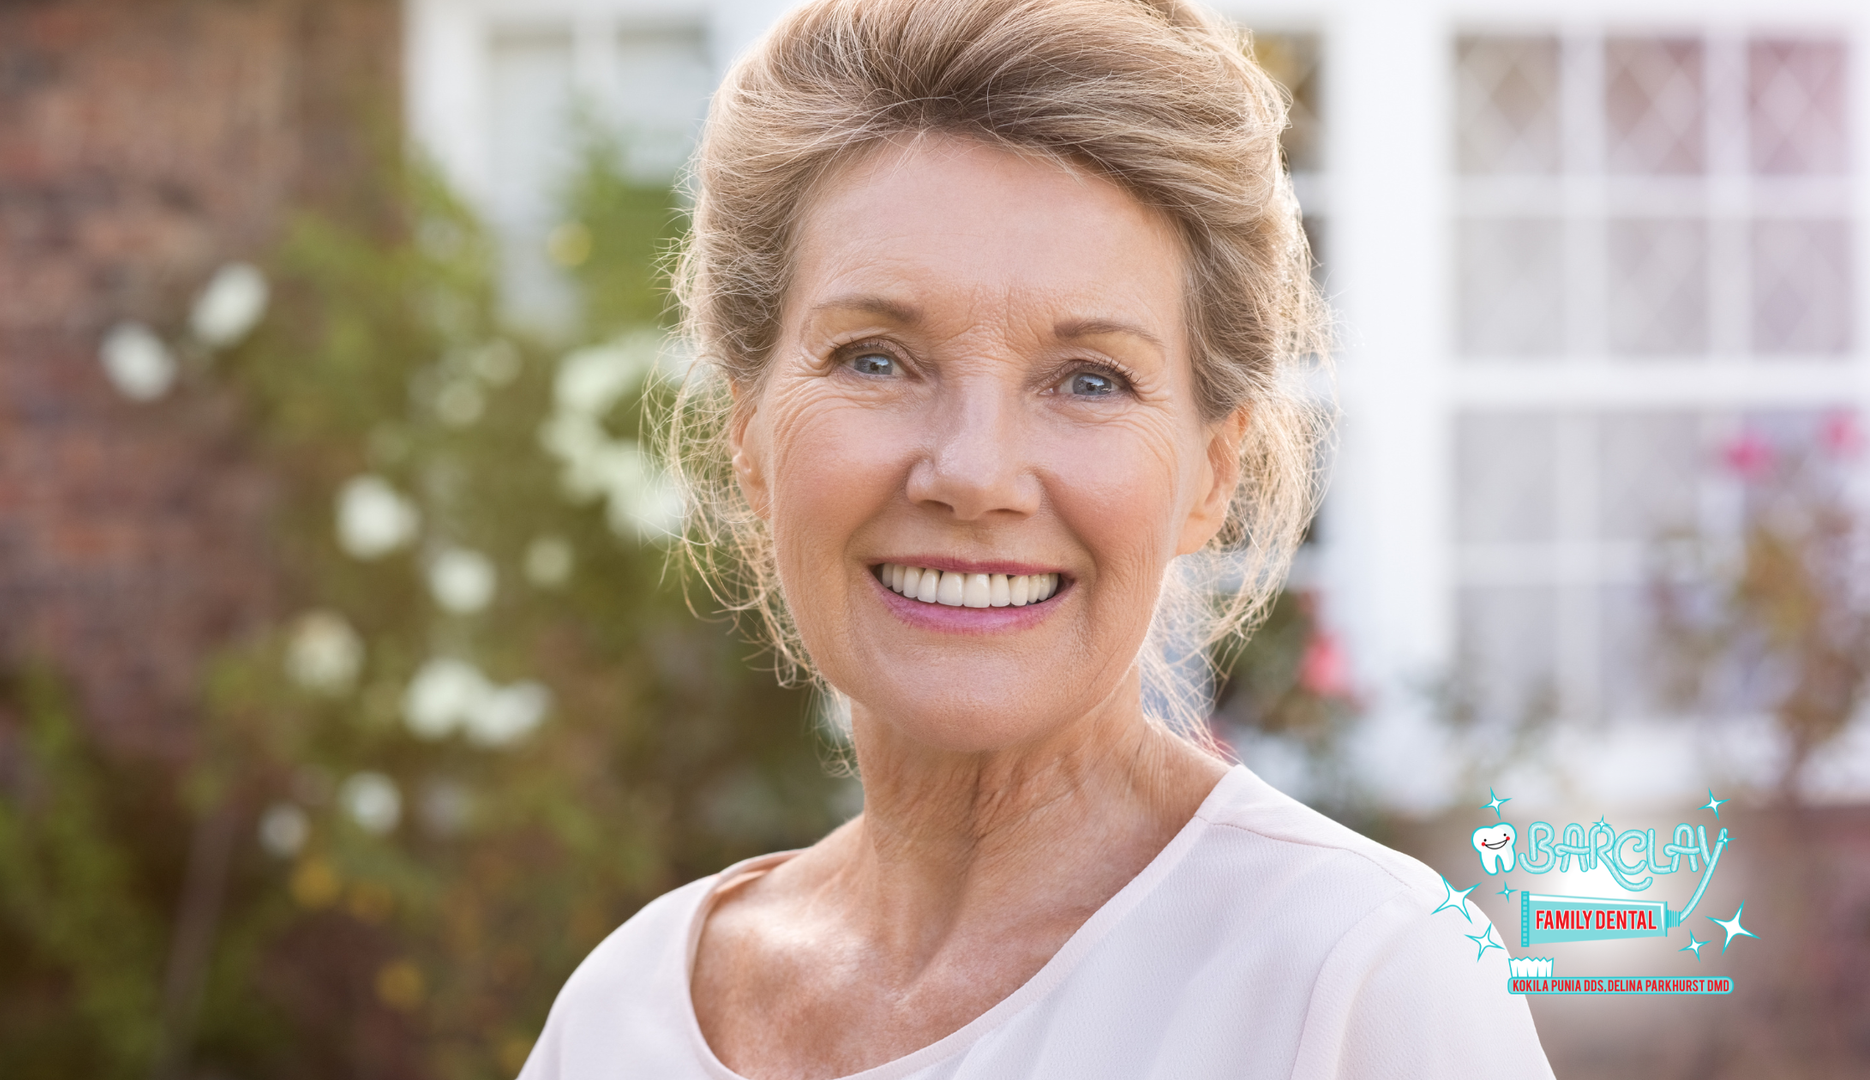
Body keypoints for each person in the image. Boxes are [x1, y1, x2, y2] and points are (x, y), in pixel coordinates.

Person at [521, 0, 1555, 1076]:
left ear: (1212, 472)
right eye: (876, 358)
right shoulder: (622, 1014)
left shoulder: (1357, 977)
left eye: (1089, 380)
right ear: (748, 432)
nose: (973, 473)